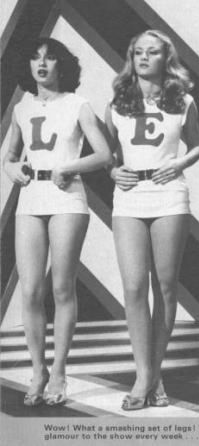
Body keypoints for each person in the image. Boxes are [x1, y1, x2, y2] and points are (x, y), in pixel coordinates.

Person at [3, 37, 112, 406]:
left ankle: (60, 371)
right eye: (36, 58)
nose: (42, 64)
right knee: (30, 290)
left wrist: (70, 166)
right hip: (31, 199)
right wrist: (12, 168)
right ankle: (38, 371)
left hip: (67, 197)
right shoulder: (22, 108)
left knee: (62, 288)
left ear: (61, 65)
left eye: (50, 58)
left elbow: (104, 155)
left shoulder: (77, 105)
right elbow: (9, 157)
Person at [105, 30, 199, 410]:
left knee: (164, 286)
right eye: (138, 52)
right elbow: (108, 154)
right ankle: (147, 374)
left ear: (166, 58)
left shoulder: (184, 100)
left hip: (169, 194)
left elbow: (197, 146)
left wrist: (179, 163)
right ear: (132, 58)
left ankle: (150, 374)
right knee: (133, 288)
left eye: (153, 52)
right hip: (129, 197)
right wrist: (113, 171)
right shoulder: (117, 102)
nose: (144, 57)